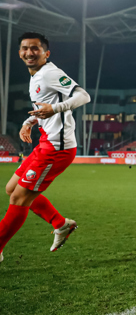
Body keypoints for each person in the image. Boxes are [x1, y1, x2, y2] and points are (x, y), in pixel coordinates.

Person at [0, 32, 91, 263]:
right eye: (24, 48)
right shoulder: (36, 76)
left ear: (45, 53)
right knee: (12, 188)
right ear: (19, 52)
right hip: (45, 143)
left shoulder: (50, 73)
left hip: (58, 149)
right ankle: (61, 224)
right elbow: (44, 108)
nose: (29, 52)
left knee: (19, 198)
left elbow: (83, 96)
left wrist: (57, 109)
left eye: (35, 48)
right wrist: (28, 122)